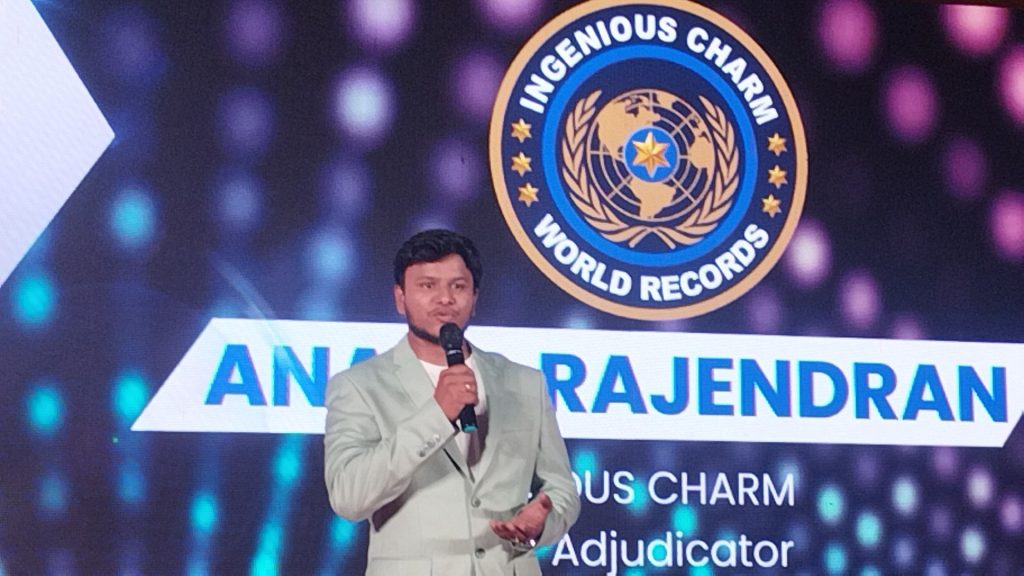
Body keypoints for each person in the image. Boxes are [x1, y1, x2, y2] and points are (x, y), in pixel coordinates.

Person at [324, 229, 580, 576]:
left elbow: (560, 488)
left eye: (458, 286)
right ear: (400, 297)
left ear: (474, 297)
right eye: (427, 285)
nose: (444, 298)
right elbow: (348, 497)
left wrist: (541, 524)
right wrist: (437, 415)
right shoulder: (359, 386)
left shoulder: (525, 382)